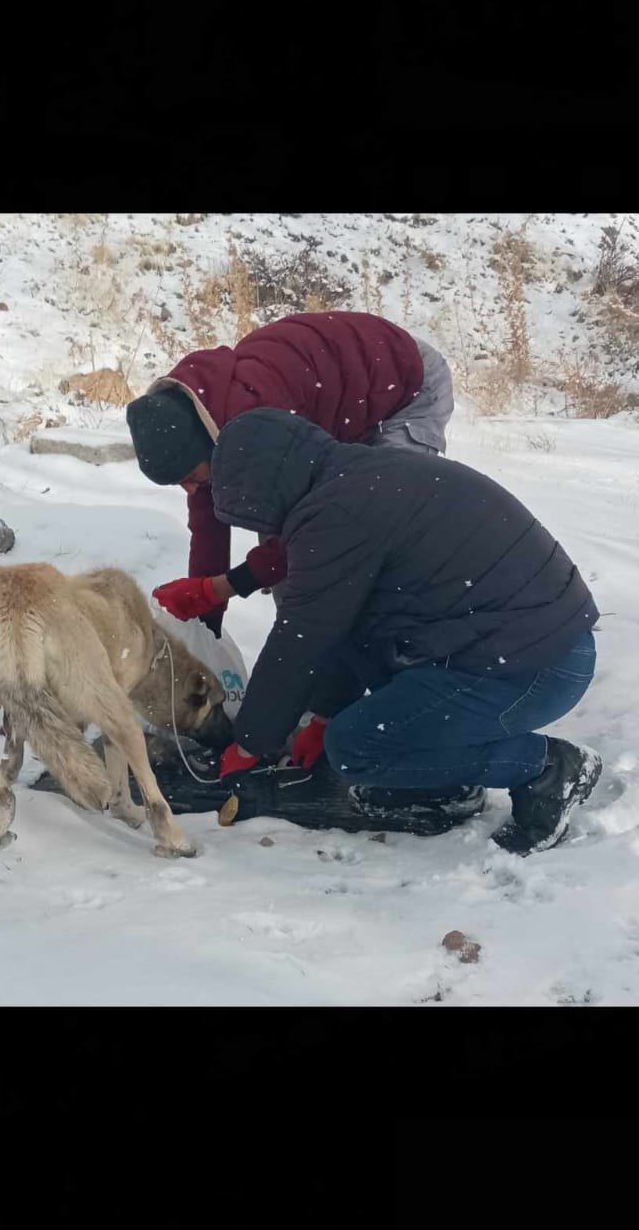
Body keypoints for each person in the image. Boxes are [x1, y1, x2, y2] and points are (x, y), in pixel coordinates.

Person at [206, 407, 601, 856]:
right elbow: (342, 627)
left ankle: (547, 768)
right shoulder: (361, 477)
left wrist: (250, 743)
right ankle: (441, 785)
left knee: (358, 747)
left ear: (262, 485)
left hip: (534, 670)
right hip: (533, 647)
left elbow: (301, 639)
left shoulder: (337, 514)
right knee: (371, 692)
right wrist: (324, 712)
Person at [126, 311, 454, 635]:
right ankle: (317, 652)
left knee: (369, 525)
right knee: (295, 569)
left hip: (405, 384)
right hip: (340, 397)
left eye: (190, 478)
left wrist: (224, 587)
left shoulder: (259, 419)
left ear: (209, 448)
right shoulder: (193, 417)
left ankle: (398, 651)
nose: (189, 491)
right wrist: (205, 620)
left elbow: (316, 533)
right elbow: (209, 519)